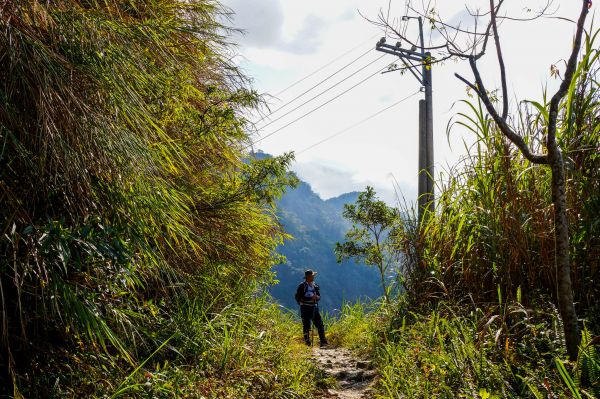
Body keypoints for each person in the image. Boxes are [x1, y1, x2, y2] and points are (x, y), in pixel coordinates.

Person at [295, 269, 328, 347]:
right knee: (306, 325)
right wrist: (310, 299)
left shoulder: (315, 285)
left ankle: (323, 342)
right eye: (312, 275)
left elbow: (319, 296)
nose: (313, 277)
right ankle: (307, 343)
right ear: (308, 277)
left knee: (320, 324)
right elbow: (299, 297)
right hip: (305, 308)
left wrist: (317, 297)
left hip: (314, 307)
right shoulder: (302, 286)